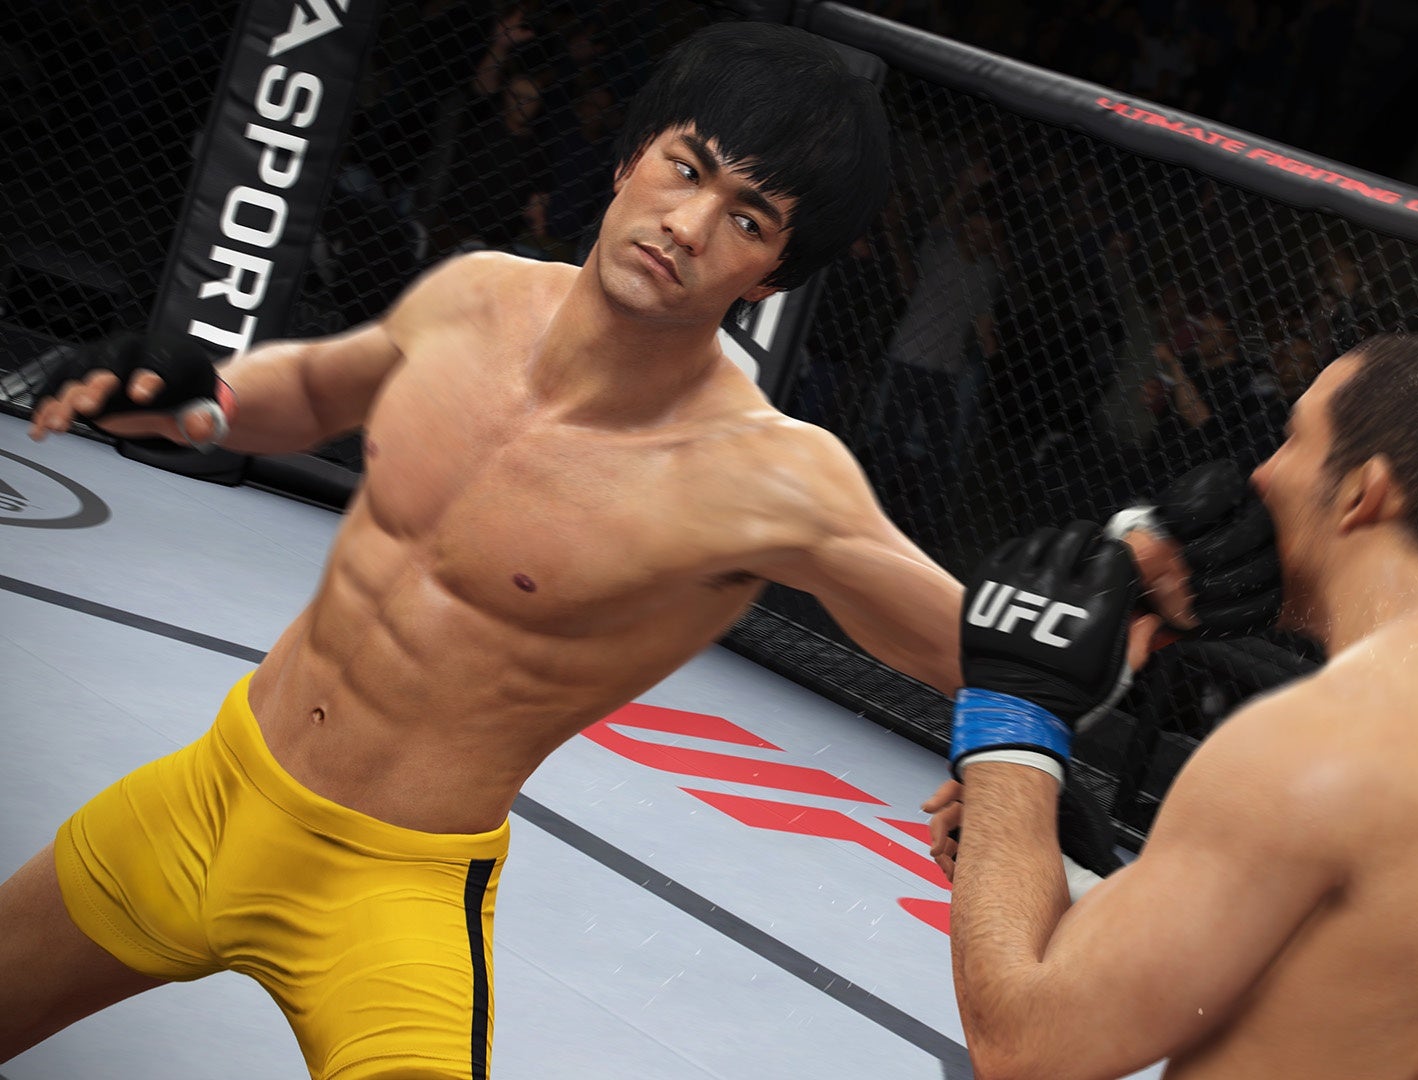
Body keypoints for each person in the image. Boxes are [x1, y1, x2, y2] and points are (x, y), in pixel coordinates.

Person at [2, 23, 950, 1079]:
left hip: (388, 896)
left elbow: (984, 650)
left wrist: (1016, 751)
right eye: (687, 169)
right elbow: (314, 391)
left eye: (746, 219)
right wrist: (202, 403)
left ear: (770, 276)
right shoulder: (475, 295)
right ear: (630, 157)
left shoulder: (765, 473)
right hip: (208, 795)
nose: (687, 225)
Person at [925, 333, 1418, 1079]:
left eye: (1293, 439)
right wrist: (1070, 872)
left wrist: (1010, 728)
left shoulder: (1323, 740)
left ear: (1363, 493)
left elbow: (1023, 1047)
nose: (1261, 472)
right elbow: (1345, 995)